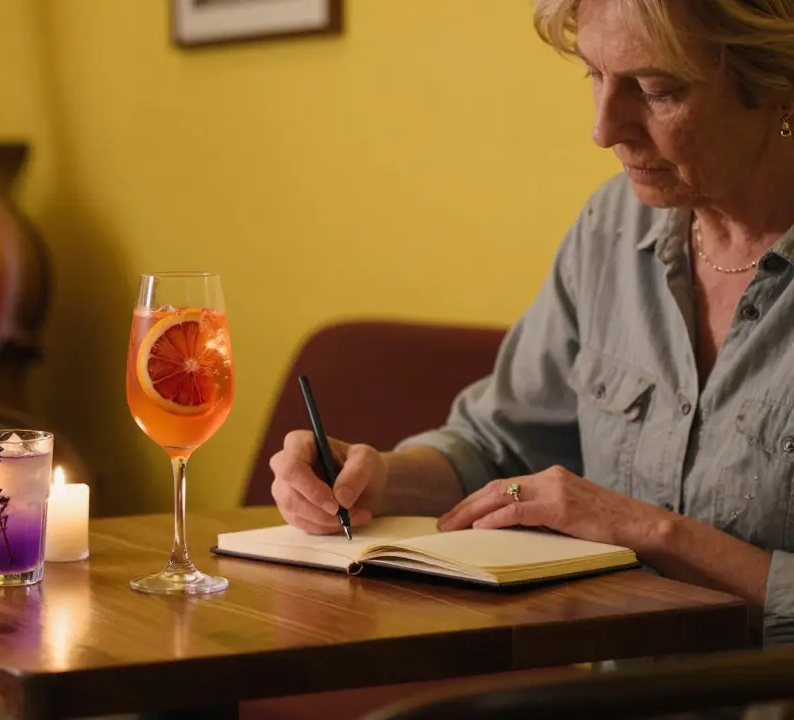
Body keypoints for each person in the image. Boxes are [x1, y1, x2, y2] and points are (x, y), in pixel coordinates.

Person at [270, 0, 794, 649]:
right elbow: (498, 447)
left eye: (657, 91)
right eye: (594, 77)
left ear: (777, 86)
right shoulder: (611, 229)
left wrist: (654, 534)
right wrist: (374, 476)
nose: (603, 129)